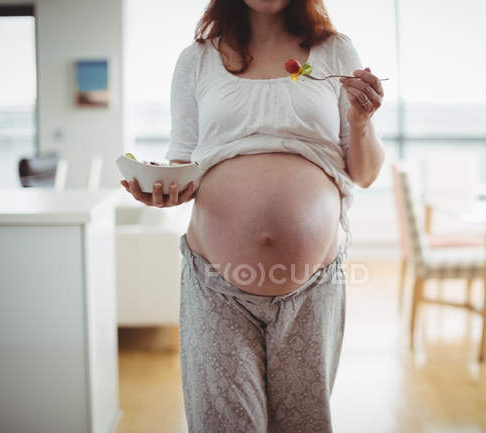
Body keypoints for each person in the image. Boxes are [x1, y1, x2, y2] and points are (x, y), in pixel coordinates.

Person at [121, 0, 385, 431]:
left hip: (312, 289)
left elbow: (366, 174)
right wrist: (161, 189)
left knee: (303, 424)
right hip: (215, 286)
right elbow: (183, 163)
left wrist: (361, 121)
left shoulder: (335, 51)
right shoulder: (196, 60)